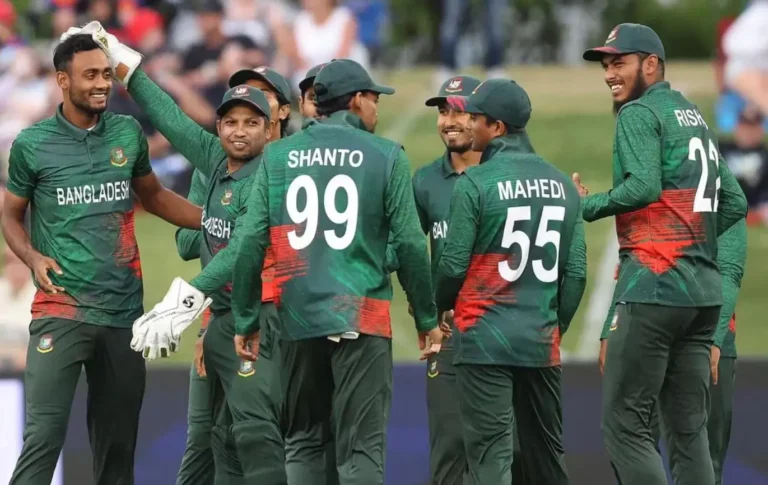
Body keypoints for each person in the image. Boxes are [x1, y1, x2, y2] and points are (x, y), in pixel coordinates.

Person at [1, 33, 202, 485]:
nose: (102, 84)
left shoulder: (127, 133)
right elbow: (10, 217)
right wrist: (32, 256)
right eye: (90, 75)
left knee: (117, 450)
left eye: (107, 74)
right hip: (61, 310)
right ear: (62, 80)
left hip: (123, 314)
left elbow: (154, 196)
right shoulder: (33, 144)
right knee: (43, 437)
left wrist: (212, 220)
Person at [230, 58, 443, 485]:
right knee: (361, 450)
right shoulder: (386, 154)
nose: (377, 108)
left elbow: (250, 242)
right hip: (362, 316)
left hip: (296, 316)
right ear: (358, 100)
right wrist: (425, 317)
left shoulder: (277, 156)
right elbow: (408, 244)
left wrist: (246, 318)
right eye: (375, 99)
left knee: (304, 442)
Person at [579, 23, 748, 485]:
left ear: (651, 64)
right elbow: (734, 201)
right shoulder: (695, 117)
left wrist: (587, 205)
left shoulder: (638, 112)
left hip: (655, 288)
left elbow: (643, 187)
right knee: (689, 434)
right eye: (606, 65)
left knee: (626, 428)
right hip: (703, 298)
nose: (610, 74)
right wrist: (695, 240)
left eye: (619, 63)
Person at [434, 78, 585, 485]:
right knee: (547, 459)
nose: (468, 123)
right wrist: (555, 326)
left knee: (491, 460)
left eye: (476, 118)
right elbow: (575, 274)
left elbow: (452, 266)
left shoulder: (474, 183)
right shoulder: (564, 186)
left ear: (497, 127)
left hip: (483, 339)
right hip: (539, 340)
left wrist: (441, 306)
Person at [599, 218, 747, 485]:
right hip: (658, 332)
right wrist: (612, 324)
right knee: (645, 443)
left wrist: (714, 340)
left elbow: (730, 269)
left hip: (700, 339)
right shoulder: (659, 195)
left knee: (688, 448)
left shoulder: (715, 194)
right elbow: (633, 263)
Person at [408, 74, 481, 485]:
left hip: (502, 328)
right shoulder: (425, 180)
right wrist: (423, 311)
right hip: (449, 335)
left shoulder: (505, 173)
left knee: (510, 450)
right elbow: (405, 248)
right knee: (450, 449)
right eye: (442, 111)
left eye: (459, 111)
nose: (448, 121)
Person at [719, 106, 768, 220]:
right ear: (736, 127)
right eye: (745, 127)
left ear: (761, 130)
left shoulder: (765, 155)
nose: (748, 132)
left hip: (758, 207)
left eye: (753, 128)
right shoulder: (719, 149)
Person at [228, 65, 293, 139]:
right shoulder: (224, 144)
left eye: (263, 95)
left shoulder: (298, 146)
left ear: (283, 111)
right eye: (246, 94)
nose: (252, 101)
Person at [0, 243, 36, 371]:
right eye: (9, 261)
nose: (14, 268)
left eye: (19, 262)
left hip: (29, 369)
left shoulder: (42, 296)